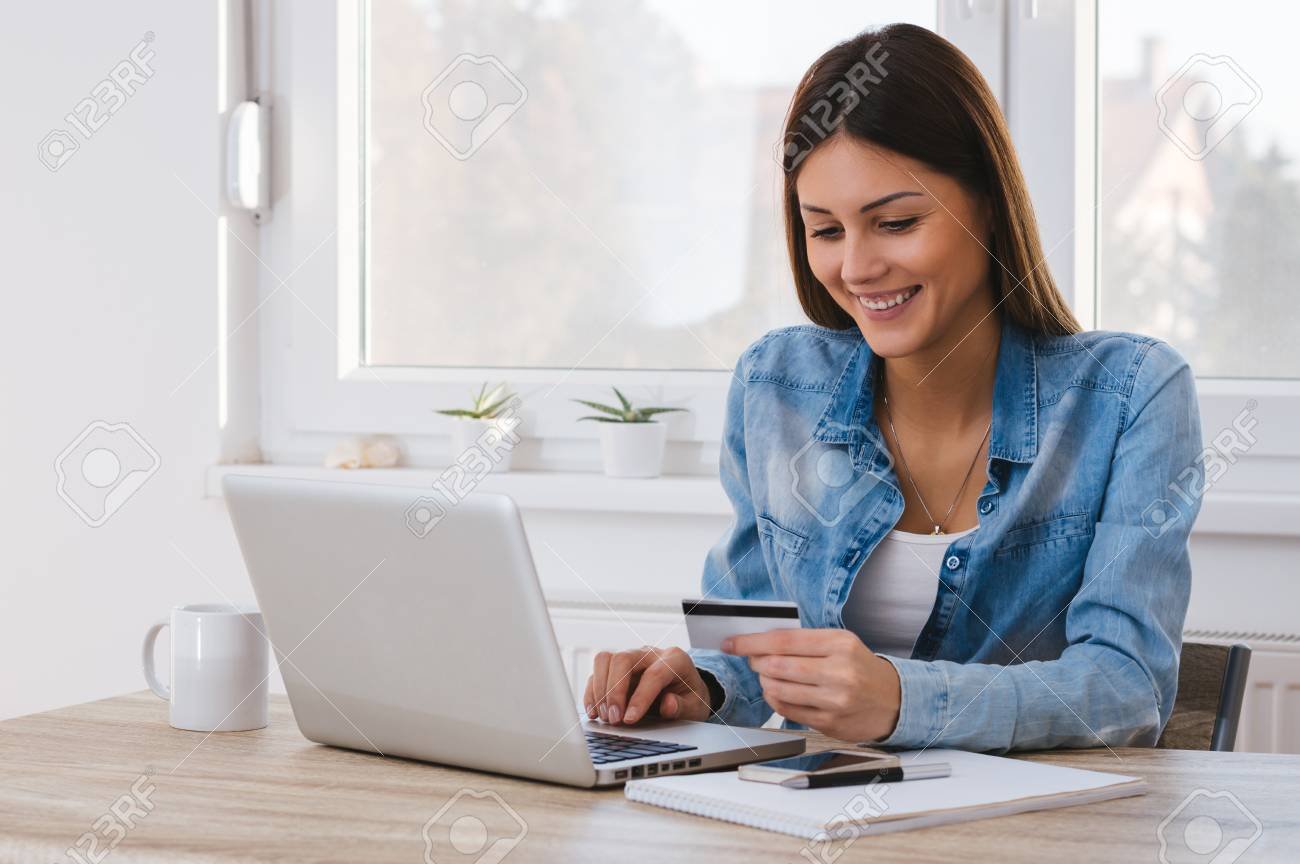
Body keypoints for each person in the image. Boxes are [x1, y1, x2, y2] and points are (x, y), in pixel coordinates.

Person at [583, 23, 1202, 753]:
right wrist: (704, 684)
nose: (857, 268)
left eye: (896, 223)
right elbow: (752, 644)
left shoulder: (1130, 396)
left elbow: (1126, 690)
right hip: (815, 806)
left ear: (990, 204)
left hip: (1037, 816)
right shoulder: (775, 385)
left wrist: (901, 700)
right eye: (826, 231)